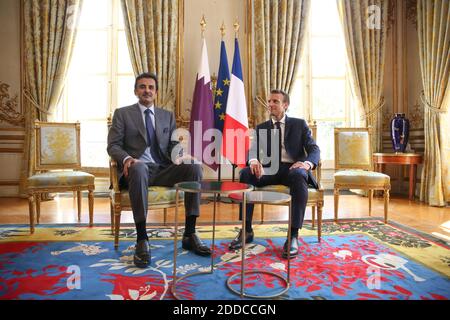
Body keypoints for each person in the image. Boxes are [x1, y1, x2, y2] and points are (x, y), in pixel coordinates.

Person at [107, 72, 211, 268]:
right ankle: (142, 239)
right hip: (137, 170)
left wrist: (181, 155)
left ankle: (190, 233)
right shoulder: (122, 114)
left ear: (156, 92)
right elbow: (113, 146)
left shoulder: (166, 115)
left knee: (194, 167)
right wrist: (128, 158)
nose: (147, 90)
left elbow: (172, 146)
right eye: (142, 87)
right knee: (138, 168)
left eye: (151, 87)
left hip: (163, 169)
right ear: (135, 90)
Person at [229, 89, 320, 259]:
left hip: (293, 169)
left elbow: (314, 149)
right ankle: (246, 230)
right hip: (269, 169)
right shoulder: (262, 127)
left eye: (275, 102)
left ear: (285, 105)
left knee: (299, 175)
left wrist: (306, 164)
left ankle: (293, 235)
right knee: (245, 174)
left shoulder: (299, 124)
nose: (270, 104)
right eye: (269, 101)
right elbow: (253, 149)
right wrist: (254, 161)